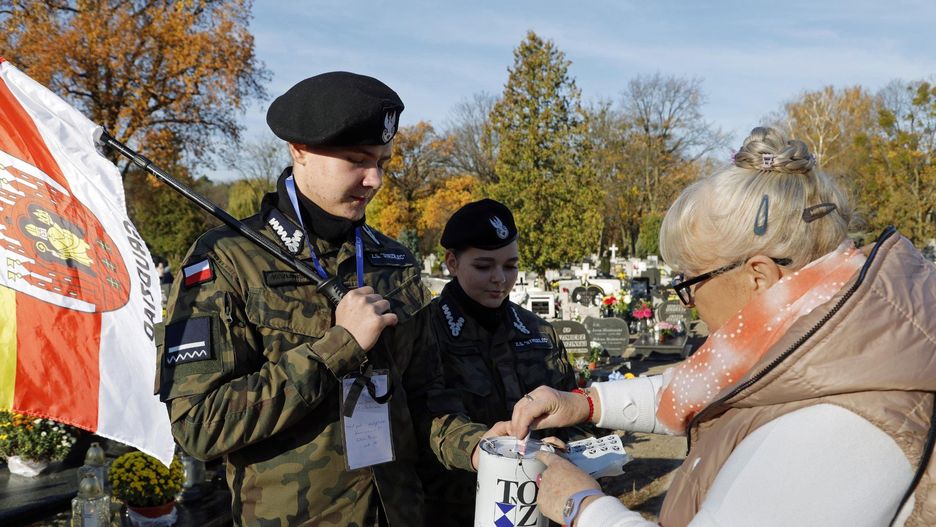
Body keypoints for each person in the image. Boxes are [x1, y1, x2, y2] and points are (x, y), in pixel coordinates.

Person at [508, 127, 936, 526]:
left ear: (759, 277)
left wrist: (583, 504)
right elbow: (709, 383)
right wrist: (585, 403)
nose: (689, 303)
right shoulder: (833, 328)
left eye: (690, 281)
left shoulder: (835, 426)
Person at [156, 72, 496, 527]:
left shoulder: (393, 260)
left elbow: (427, 396)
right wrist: (336, 348)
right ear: (299, 150)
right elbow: (200, 424)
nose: (374, 179)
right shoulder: (228, 260)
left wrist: (479, 447)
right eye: (356, 160)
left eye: (382, 161)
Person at [390, 199, 585, 526]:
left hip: (539, 505)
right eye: (483, 266)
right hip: (455, 509)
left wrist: (567, 446)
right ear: (452, 262)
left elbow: (572, 408)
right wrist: (487, 449)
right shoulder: (426, 332)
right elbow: (425, 419)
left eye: (510, 266)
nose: (499, 279)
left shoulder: (539, 332)